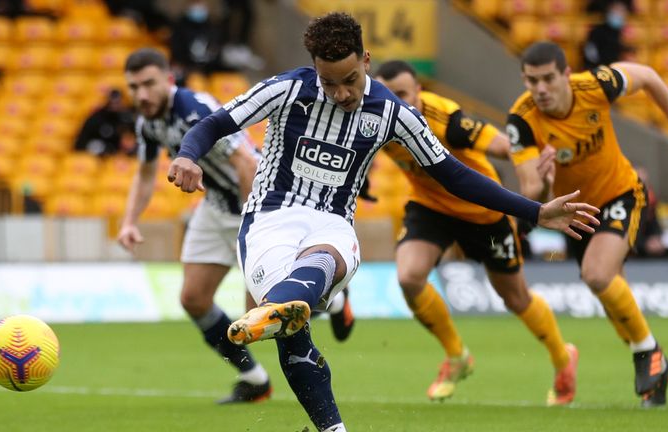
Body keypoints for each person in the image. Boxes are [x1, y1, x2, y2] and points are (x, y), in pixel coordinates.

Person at [167, 13, 599, 431]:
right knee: (293, 336)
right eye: (328, 83)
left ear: (366, 61)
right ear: (314, 69)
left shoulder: (394, 113)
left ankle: (281, 307)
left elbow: (453, 173)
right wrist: (187, 154)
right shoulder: (286, 89)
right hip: (269, 219)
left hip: (332, 223)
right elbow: (215, 123)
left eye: (349, 80)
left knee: (321, 267)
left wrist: (535, 211)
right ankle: (322, 399)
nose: (339, 93)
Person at [506, 41, 668, 407]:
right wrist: (546, 179)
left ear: (566, 75)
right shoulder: (521, 120)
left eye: (549, 79)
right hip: (575, 212)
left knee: (596, 274)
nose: (540, 89)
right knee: (614, 302)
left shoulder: (595, 85)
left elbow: (647, 76)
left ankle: (650, 353)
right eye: (532, 81)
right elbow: (531, 189)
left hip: (622, 194)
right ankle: (658, 372)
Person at [374, 60, 577, 405]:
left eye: (404, 94)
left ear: (419, 91)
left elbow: (501, 145)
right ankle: (457, 356)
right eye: (389, 96)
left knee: (515, 299)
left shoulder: (446, 119)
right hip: (431, 208)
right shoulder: (376, 119)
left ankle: (562, 357)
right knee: (409, 278)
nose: (397, 103)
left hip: (484, 214)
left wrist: (531, 164)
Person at [117, 48, 272, 404]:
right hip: (216, 206)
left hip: (255, 204)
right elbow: (144, 175)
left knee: (259, 316)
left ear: (169, 80)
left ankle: (334, 298)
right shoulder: (147, 123)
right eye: (133, 86)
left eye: (149, 84)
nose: (141, 94)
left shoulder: (196, 107)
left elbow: (247, 162)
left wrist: (254, 225)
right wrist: (128, 221)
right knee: (193, 299)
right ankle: (254, 379)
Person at [74, 88, 135, 157]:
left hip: (120, 151)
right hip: (100, 149)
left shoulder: (128, 115)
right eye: (112, 102)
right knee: (97, 146)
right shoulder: (97, 118)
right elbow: (82, 140)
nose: (115, 106)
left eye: (117, 102)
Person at [582, 0, 632, 70]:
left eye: (621, 12)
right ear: (609, 12)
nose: (618, 14)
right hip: (598, 69)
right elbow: (590, 54)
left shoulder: (620, 33)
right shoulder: (596, 32)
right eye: (616, 11)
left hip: (616, 69)